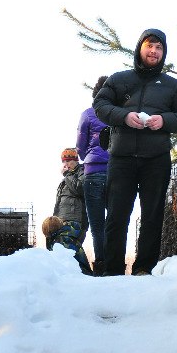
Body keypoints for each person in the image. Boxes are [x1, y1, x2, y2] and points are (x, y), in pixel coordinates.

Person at [93, 28, 177, 276]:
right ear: (140, 48)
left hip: (156, 159)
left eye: (159, 48)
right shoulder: (118, 79)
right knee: (116, 215)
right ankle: (113, 270)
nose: (154, 51)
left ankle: (144, 268)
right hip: (121, 158)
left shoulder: (173, 86)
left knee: (152, 215)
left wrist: (165, 120)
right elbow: (100, 105)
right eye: (150, 45)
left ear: (164, 52)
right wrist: (124, 116)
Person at [76, 76, 109, 275]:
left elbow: (80, 146)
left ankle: (101, 266)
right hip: (117, 173)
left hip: (93, 172)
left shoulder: (88, 114)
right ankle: (116, 265)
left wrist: (87, 156)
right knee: (116, 222)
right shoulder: (120, 115)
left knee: (97, 225)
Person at [53, 148, 88, 242]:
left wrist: (67, 174)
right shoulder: (67, 177)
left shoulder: (82, 171)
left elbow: (80, 189)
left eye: (68, 161)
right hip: (62, 220)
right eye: (63, 161)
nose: (66, 164)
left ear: (76, 160)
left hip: (75, 221)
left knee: (70, 248)